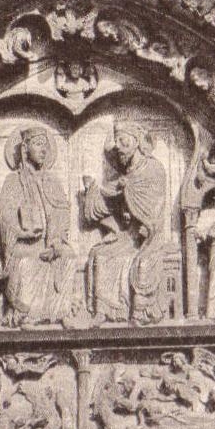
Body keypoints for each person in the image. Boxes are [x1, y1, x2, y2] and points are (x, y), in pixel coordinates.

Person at [0, 126, 78, 325]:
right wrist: (23, 232)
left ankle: (61, 312)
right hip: (23, 245)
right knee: (28, 263)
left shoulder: (51, 180)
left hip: (50, 243)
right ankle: (28, 313)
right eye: (38, 144)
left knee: (68, 256)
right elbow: (3, 215)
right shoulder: (13, 180)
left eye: (45, 146)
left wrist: (55, 241)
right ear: (24, 148)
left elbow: (62, 211)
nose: (43, 150)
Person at [83, 120, 168, 322]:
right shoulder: (126, 175)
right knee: (100, 254)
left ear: (137, 141)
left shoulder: (153, 168)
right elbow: (108, 203)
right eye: (117, 142)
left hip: (149, 235)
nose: (119, 147)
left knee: (141, 261)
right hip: (129, 236)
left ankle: (140, 312)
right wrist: (92, 190)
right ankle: (103, 312)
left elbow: (153, 206)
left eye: (123, 141)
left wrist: (127, 192)